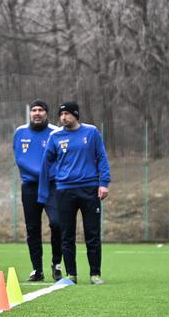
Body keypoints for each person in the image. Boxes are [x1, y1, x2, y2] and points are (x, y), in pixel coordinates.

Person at [39, 101, 110, 285]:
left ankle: (95, 274)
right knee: (67, 234)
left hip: (89, 189)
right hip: (64, 191)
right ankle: (71, 274)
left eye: (67, 114)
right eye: (61, 115)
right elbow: (46, 164)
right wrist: (44, 191)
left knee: (92, 233)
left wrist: (104, 183)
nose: (63, 118)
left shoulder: (91, 132)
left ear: (76, 115)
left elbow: (101, 157)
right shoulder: (55, 137)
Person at [13, 100, 62, 282]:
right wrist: (41, 173)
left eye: (41, 110)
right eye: (34, 110)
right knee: (33, 229)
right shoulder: (20, 132)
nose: (37, 113)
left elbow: (61, 160)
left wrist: (49, 175)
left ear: (47, 113)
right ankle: (37, 269)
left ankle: (56, 263)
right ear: (30, 113)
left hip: (52, 186)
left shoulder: (56, 133)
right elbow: (21, 159)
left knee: (57, 224)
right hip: (30, 186)